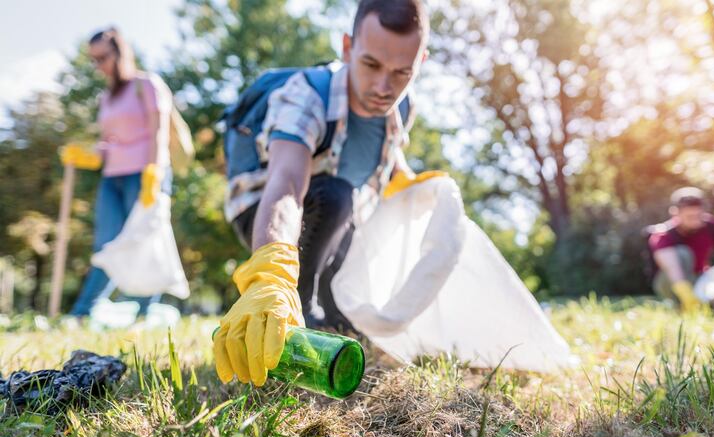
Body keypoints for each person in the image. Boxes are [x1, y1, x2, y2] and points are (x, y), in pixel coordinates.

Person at [213, 0, 444, 386]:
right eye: (371, 65)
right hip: (266, 213)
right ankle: (296, 314)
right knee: (336, 196)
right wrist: (271, 274)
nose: (383, 88)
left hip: (341, 223)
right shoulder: (307, 95)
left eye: (401, 72)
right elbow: (286, 184)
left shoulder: (404, 108)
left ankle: (329, 319)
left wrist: (410, 182)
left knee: (345, 315)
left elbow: (389, 157)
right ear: (347, 47)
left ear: (420, 61)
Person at [61, 28, 173, 317]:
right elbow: (110, 142)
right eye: (93, 60)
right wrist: (86, 154)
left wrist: (154, 171)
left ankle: (144, 312)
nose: (98, 65)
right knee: (107, 246)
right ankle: (83, 313)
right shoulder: (107, 97)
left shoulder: (146, 84)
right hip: (113, 176)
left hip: (144, 173)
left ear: (120, 52)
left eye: (102, 57)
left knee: (144, 240)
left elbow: (158, 131)